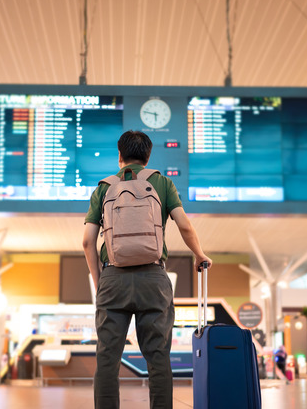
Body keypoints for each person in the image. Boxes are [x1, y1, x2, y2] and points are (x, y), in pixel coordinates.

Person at [83, 130, 211, 409]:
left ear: (120, 156)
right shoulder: (162, 183)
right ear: (148, 156)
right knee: (157, 358)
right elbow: (185, 225)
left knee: (107, 358)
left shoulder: (104, 187)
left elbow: (87, 242)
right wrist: (199, 254)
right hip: (154, 278)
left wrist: (100, 282)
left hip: (112, 278)